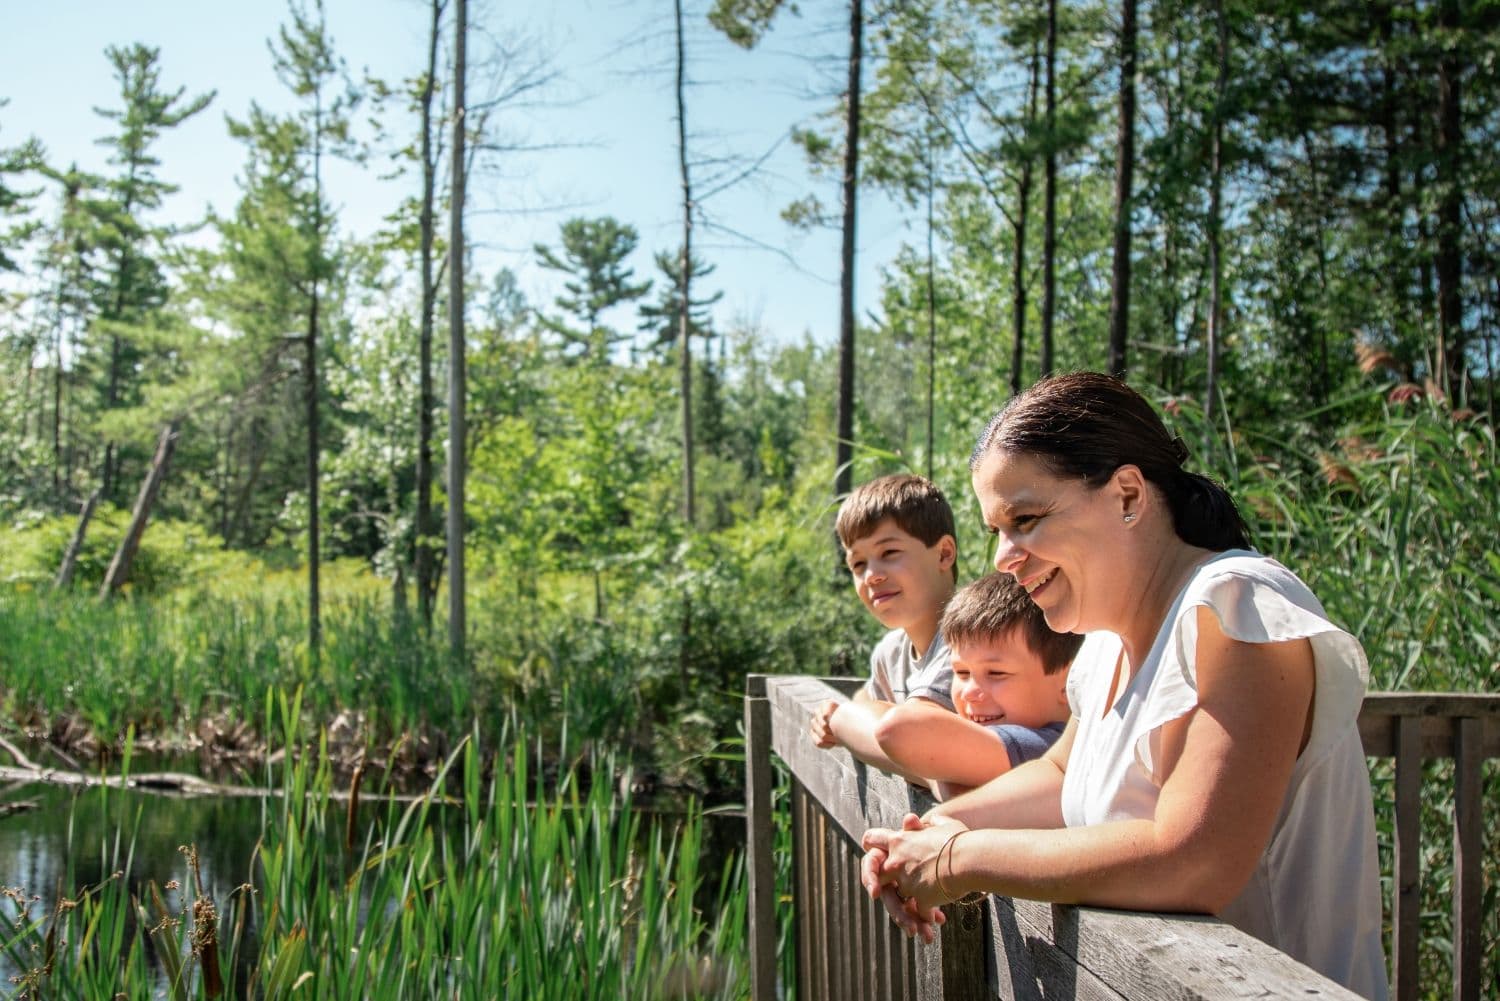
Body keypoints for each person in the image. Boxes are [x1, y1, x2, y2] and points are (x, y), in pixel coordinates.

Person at [858, 372, 1388, 1001]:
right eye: (996, 530)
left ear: (1129, 494)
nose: (1004, 555)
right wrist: (932, 830)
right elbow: (1059, 775)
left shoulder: (1238, 605)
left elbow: (1195, 859)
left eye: (1025, 518)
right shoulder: (1104, 644)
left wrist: (960, 860)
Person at [874, 572, 1081, 799]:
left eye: (996, 673)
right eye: (961, 672)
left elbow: (897, 730)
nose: (970, 692)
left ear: (1066, 681)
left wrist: (932, 774)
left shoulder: (1047, 746)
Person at [808, 473, 958, 780]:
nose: (871, 576)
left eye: (889, 553)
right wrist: (849, 712)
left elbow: (916, 738)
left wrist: (844, 721)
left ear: (944, 554)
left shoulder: (970, 643)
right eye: (858, 564)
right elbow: (865, 699)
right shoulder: (890, 653)